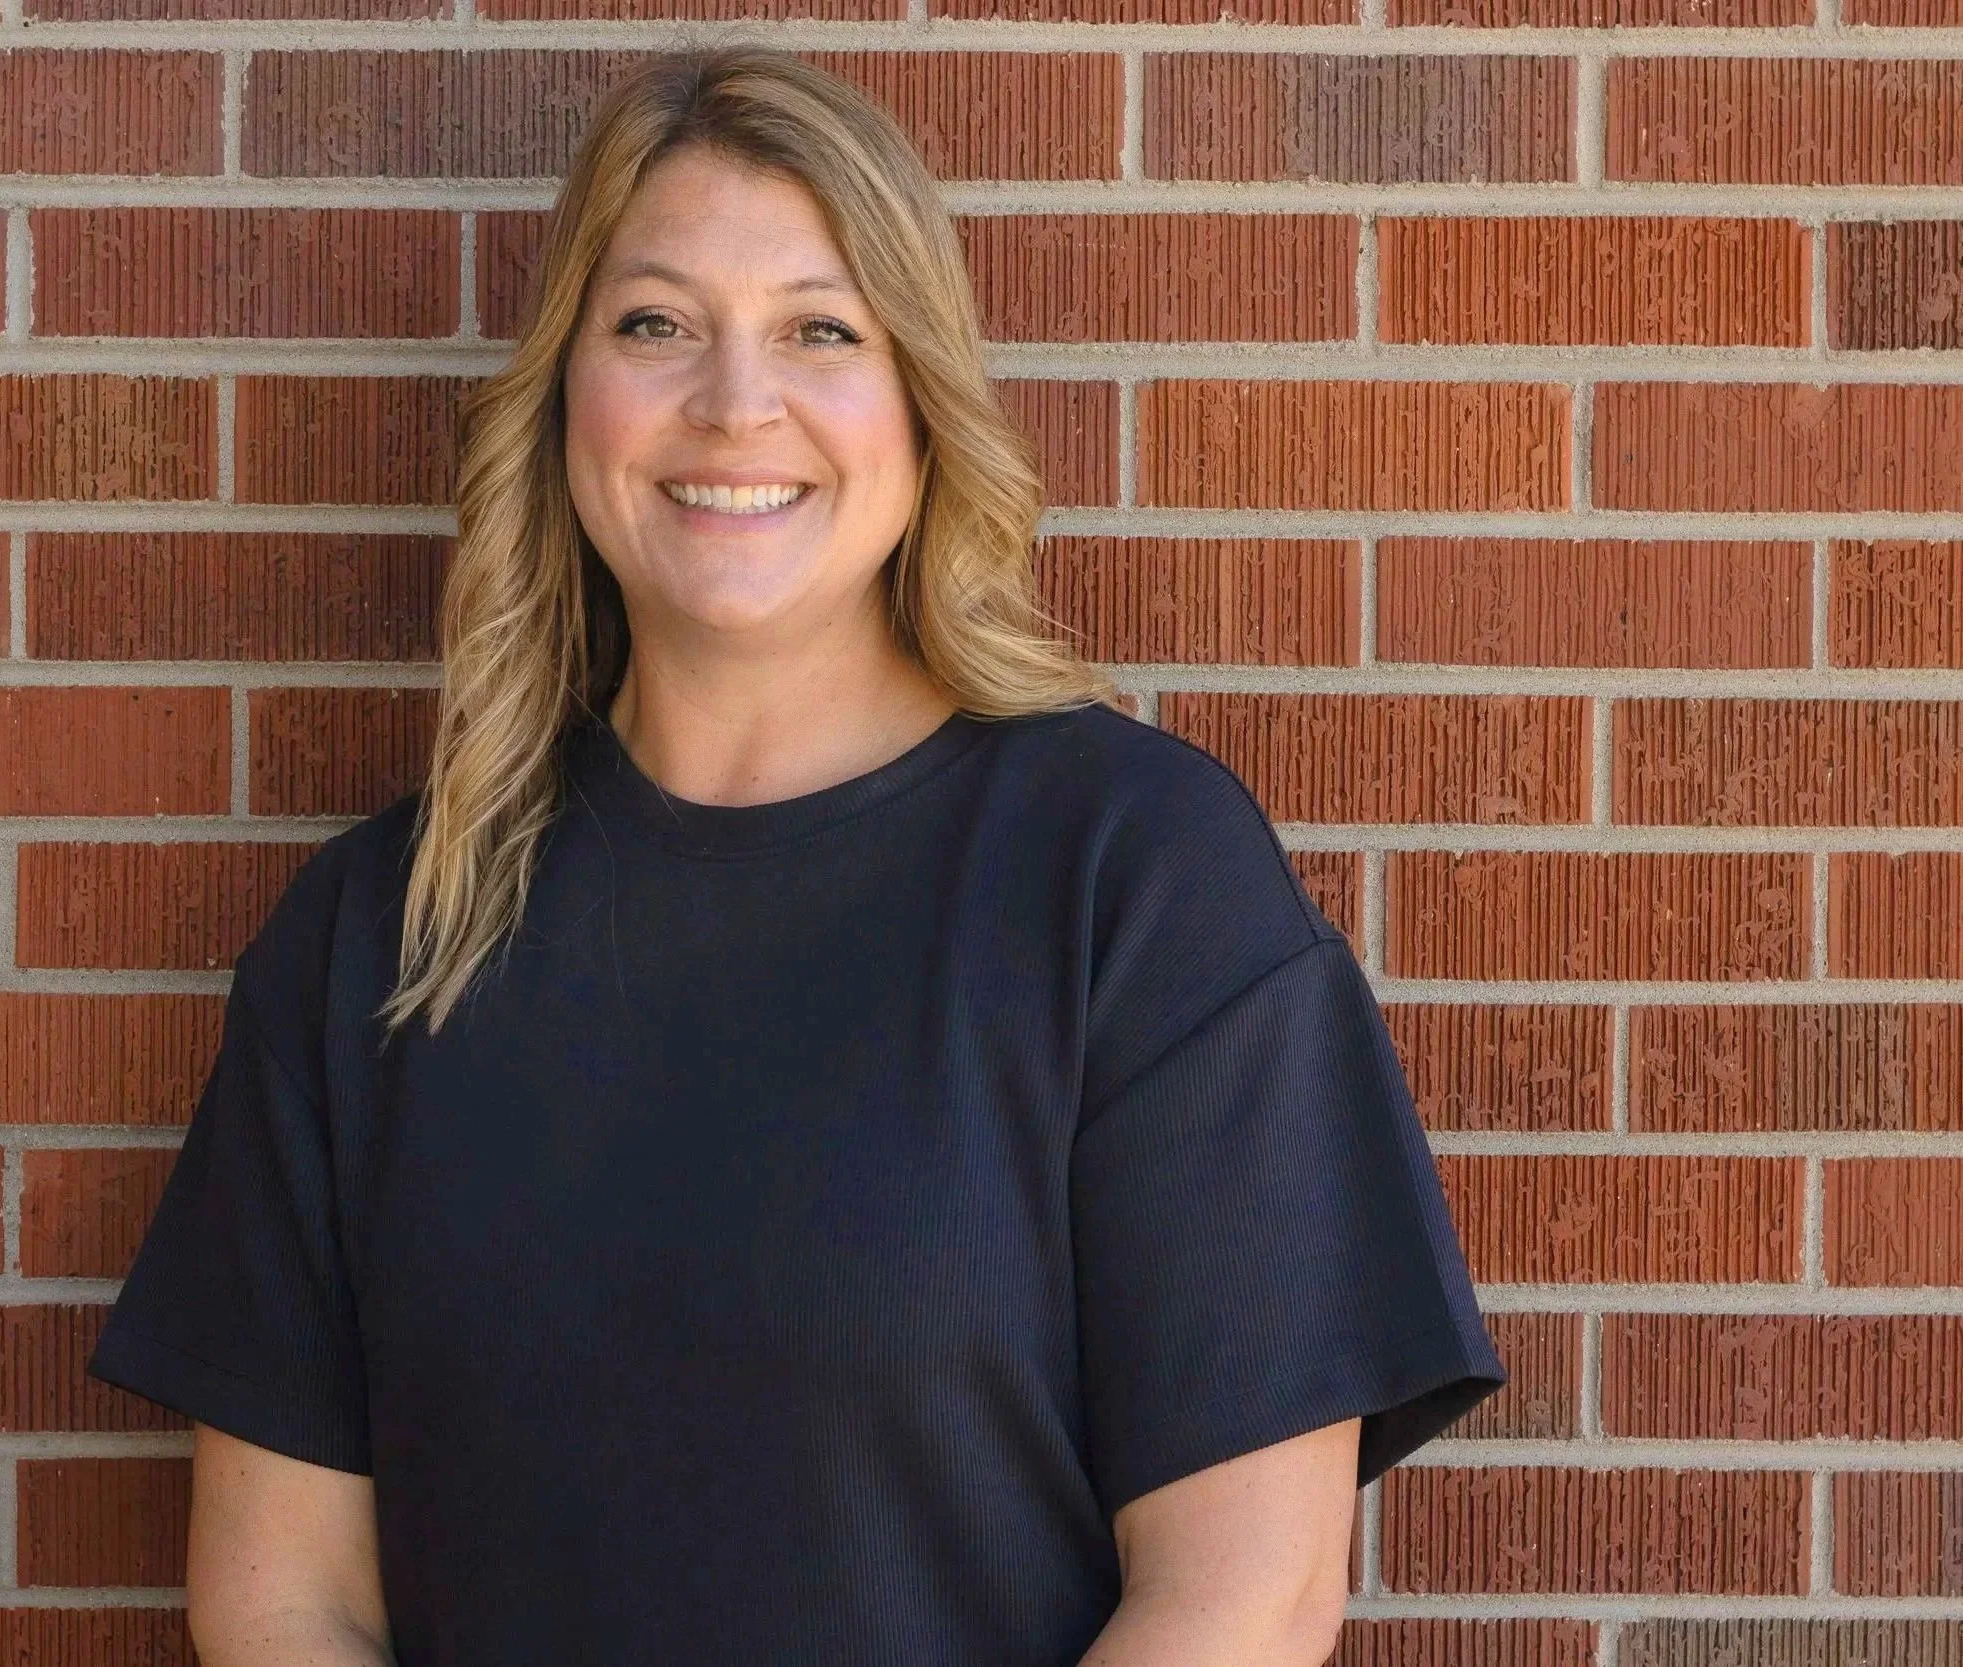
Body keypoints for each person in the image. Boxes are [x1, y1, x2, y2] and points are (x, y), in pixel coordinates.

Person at [88, 46, 1506, 1667]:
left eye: (821, 330)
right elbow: (288, 1599)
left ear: (920, 403)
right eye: (656, 324)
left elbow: (1244, 1595)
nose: (733, 403)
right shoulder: (380, 937)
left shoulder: (1133, 882)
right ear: (567, 396)